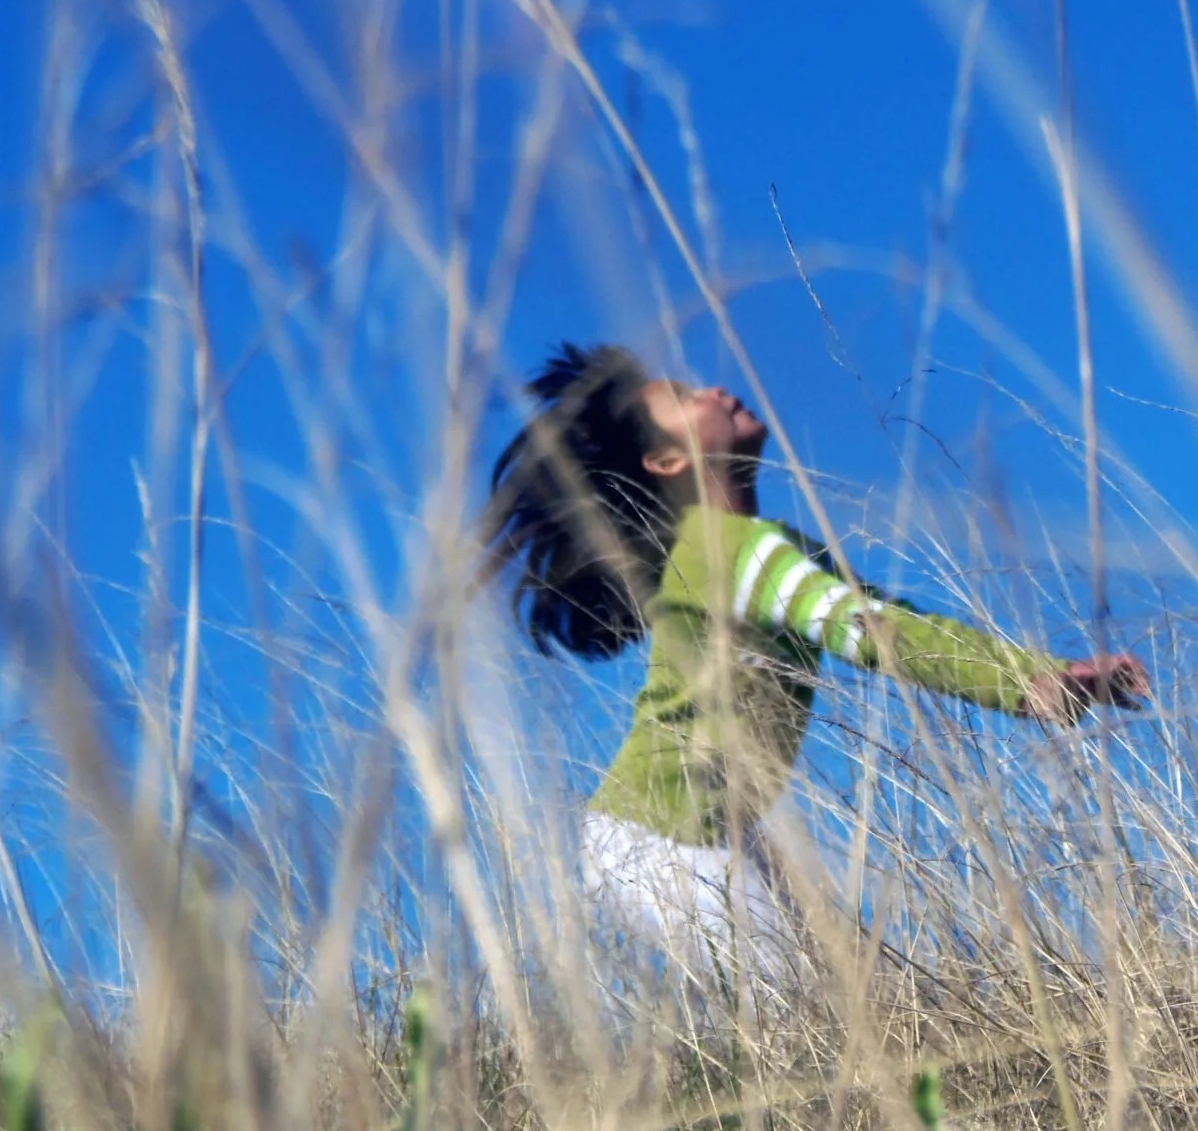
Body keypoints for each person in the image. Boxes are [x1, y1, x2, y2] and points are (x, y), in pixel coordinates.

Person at [477, 343, 1145, 1003]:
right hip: (660, 840)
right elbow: (871, 632)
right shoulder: (722, 550)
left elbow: (888, 617)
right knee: (811, 1017)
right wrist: (1029, 688)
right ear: (667, 460)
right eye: (684, 399)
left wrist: (1040, 672)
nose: (711, 390)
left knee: (862, 996)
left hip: (708, 831)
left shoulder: (776, 550)